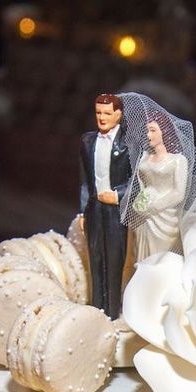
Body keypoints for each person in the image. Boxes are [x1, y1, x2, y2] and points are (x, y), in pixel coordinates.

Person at [79, 94, 132, 320]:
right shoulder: (87, 142)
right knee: (96, 259)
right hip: (94, 209)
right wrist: (83, 210)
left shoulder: (127, 145)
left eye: (107, 113)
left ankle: (111, 313)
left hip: (114, 210)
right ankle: (95, 311)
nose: (102, 118)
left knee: (114, 261)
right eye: (99, 113)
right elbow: (84, 180)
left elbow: (136, 180)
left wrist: (118, 196)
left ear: (118, 115)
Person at [130, 114, 189, 261]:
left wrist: (155, 205)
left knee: (159, 257)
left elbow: (178, 193)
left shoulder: (178, 161)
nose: (148, 135)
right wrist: (140, 202)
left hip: (165, 216)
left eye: (153, 130)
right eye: (147, 131)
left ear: (164, 131)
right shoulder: (144, 157)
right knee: (140, 255)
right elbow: (142, 184)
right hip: (143, 217)